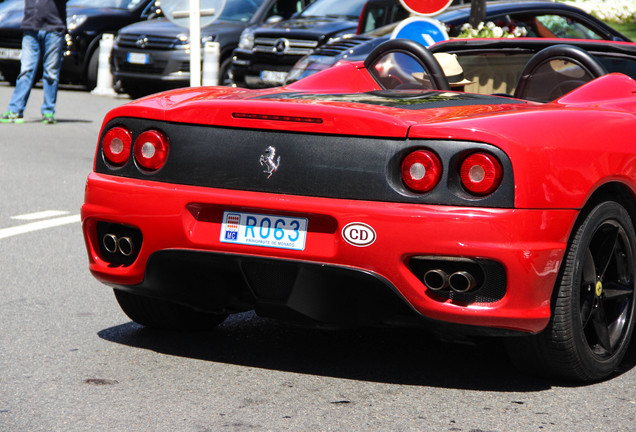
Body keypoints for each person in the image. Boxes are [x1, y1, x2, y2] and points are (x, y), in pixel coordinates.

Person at [0, 0, 67, 124]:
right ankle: (15, 110)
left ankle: (48, 111)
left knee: (51, 72)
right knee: (26, 70)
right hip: (30, 27)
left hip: (54, 28)